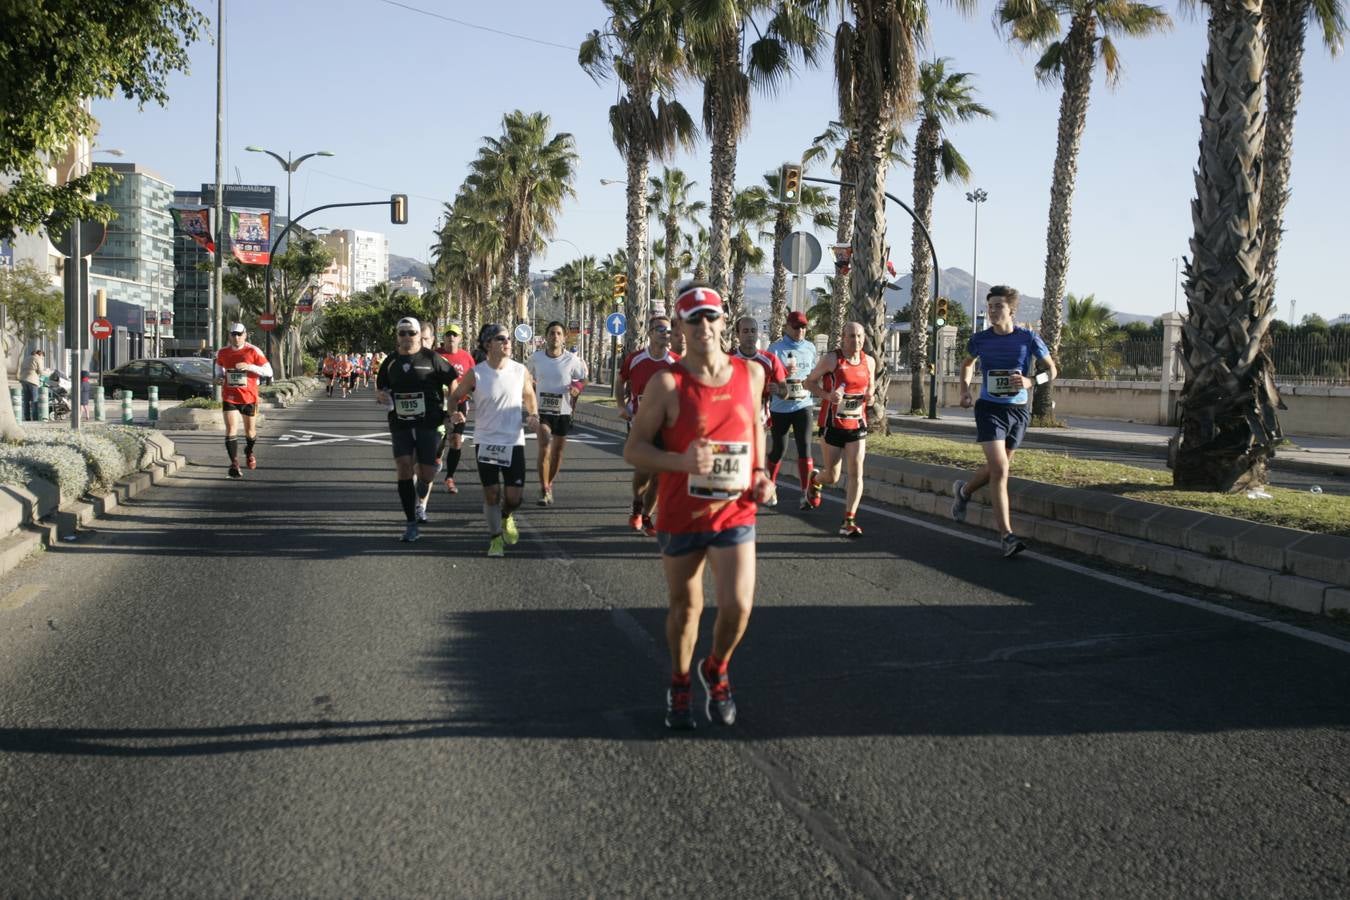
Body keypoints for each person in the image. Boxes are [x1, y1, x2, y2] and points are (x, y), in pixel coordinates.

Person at [625, 282, 774, 730]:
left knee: (738, 606)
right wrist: (681, 462)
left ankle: (717, 668)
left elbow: (755, 426)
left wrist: (761, 472)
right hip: (681, 513)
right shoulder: (667, 384)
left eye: (711, 317)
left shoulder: (752, 374)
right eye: (694, 319)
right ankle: (680, 680)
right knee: (686, 608)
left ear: (724, 320)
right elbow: (634, 449)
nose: (704, 326)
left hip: (735, 510)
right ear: (680, 327)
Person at [951, 285, 1057, 558]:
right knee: (1000, 469)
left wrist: (1031, 381)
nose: (993, 311)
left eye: (998, 306)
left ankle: (964, 491)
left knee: (998, 467)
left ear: (1011, 310)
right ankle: (1007, 536)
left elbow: (1052, 370)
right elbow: (967, 364)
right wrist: (965, 390)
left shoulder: (1028, 338)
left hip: (1018, 412)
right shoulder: (980, 339)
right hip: (989, 409)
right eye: (990, 306)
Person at [449, 324, 540, 558]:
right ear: (488, 344)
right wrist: (453, 413)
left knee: (514, 498)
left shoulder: (520, 370)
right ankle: (495, 538)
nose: (507, 342)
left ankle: (507, 515)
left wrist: (533, 415)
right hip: (486, 441)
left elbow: (529, 395)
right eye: (501, 338)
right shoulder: (476, 373)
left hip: (513, 441)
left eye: (508, 338)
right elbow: (455, 396)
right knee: (491, 494)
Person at [375, 317, 457, 542]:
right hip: (400, 422)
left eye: (411, 333)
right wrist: (381, 396)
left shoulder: (432, 358)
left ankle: (428, 475)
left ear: (420, 335)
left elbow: (453, 380)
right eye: (402, 333)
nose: (407, 337)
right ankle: (411, 523)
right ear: (397, 336)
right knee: (403, 467)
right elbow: (381, 388)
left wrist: (451, 409)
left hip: (428, 422)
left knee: (426, 475)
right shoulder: (390, 361)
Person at [803, 321, 876, 537]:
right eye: (851, 336)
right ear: (843, 338)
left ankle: (849, 521)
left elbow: (871, 387)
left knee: (856, 472)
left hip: (857, 424)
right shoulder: (832, 359)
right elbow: (809, 383)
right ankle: (815, 480)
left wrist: (870, 396)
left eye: (860, 336)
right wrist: (828, 396)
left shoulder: (869, 361)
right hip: (832, 424)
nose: (856, 340)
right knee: (832, 476)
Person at [616, 314, 680, 535]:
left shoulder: (676, 362)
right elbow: (621, 380)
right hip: (640, 424)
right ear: (650, 333)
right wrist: (621, 406)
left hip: (665, 427)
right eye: (660, 329)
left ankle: (646, 517)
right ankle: (637, 504)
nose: (665, 334)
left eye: (668, 330)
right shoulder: (635, 359)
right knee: (644, 471)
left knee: (659, 475)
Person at [528, 321, 588, 506]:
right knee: (545, 445)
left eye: (559, 333)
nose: (555, 336)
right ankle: (544, 489)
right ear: (546, 337)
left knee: (558, 453)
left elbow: (583, 378)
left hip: (563, 411)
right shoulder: (536, 358)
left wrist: (577, 388)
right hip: (542, 410)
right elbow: (526, 378)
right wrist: (530, 389)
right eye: (552, 333)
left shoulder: (572, 360)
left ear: (564, 338)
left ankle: (549, 483)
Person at [766, 310, 820, 510]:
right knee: (779, 450)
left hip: (803, 405)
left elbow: (814, 374)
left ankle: (806, 493)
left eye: (804, 327)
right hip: (780, 408)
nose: (800, 331)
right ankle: (771, 486)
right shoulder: (776, 349)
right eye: (796, 327)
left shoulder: (810, 348)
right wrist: (779, 379)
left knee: (805, 448)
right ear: (787, 327)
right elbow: (767, 376)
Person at [731, 316, 787, 504]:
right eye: (745, 331)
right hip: (733, 421)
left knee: (757, 458)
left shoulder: (769, 360)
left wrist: (778, 389)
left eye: (753, 331)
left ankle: (767, 485)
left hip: (760, 420)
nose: (749, 335)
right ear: (738, 334)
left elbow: (785, 392)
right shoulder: (728, 360)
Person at [215, 323, 273, 478]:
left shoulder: (253, 351)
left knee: (250, 432)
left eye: (239, 334)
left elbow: (268, 372)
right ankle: (234, 464)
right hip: (230, 396)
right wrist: (219, 378)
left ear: (245, 335)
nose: (236, 337)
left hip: (249, 397)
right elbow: (219, 371)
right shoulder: (222, 352)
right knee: (231, 429)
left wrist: (249, 366)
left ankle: (249, 451)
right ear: (229, 335)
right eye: (233, 334)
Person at [436, 323, 476, 494]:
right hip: (439, 402)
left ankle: (449, 478)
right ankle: (437, 454)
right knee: (439, 437)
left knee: (456, 440)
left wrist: (472, 392)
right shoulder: (436, 355)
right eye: (448, 334)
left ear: (460, 338)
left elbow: (474, 380)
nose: (451, 337)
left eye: (455, 335)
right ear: (443, 338)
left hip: (460, 403)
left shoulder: (466, 357)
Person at [20, 349, 44, 421]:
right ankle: (35, 417)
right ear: (41, 354)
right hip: (32, 380)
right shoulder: (38, 358)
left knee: (26, 400)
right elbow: (40, 371)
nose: (42, 358)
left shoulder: (26, 359)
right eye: (43, 357)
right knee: (34, 400)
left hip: (24, 380)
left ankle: (27, 417)